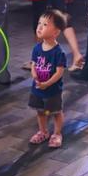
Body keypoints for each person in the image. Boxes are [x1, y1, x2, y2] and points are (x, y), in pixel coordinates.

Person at [29, 9, 67, 148]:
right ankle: (43, 131)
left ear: (56, 32)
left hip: (52, 90)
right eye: (39, 23)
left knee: (56, 112)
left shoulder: (59, 52)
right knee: (40, 111)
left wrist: (47, 83)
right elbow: (33, 64)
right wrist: (34, 75)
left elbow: (59, 72)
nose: (39, 27)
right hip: (38, 89)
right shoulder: (37, 48)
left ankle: (57, 133)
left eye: (45, 24)